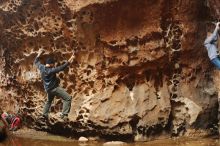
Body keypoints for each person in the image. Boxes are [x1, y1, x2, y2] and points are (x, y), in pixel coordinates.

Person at [34, 49, 75, 120]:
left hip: (48, 89)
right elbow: (62, 67)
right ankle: (64, 115)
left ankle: (45, 114)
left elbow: (36, 62)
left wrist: (39, 53)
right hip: (54, 89)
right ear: (50, 64)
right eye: (53, 64)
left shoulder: (41, 67)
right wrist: (71, 58)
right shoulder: (51, 70)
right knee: (68, 98)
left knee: (49, 101)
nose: (54, 65)